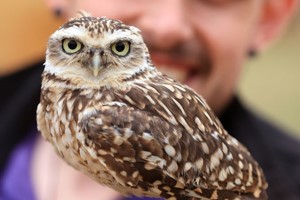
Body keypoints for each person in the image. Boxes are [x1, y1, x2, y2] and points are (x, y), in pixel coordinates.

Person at [1, 0, 300, 199]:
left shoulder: (108, 118)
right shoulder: (47, 108)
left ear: (270, 17)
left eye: (119, 49)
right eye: (72, 46)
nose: (167, 27)